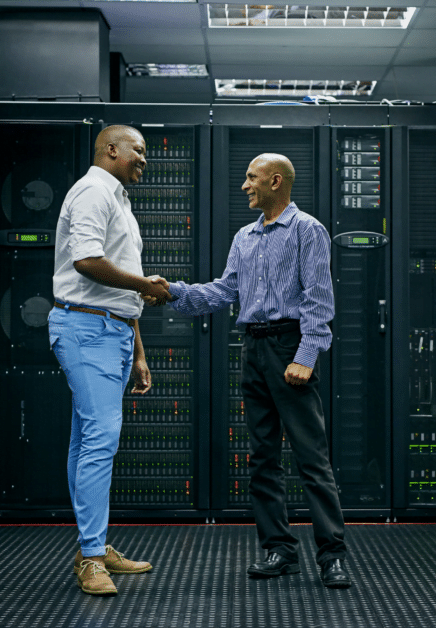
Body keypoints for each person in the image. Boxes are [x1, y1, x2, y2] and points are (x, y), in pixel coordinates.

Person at [151, 153, 352, 589]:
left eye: (251, 178)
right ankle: (278, 549)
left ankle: (332, 556)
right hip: (254, 348)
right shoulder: (244, 236)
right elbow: (225, 291)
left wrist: (306, 355)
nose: (244, 185)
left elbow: (320, 301)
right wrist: (173, 292)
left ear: (275, 181)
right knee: (262, 458)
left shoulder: (308, 230)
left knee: (311, 459)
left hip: (288, 346)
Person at [48, 124, 171, 596]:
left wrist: (138, 351)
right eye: (138, 151)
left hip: (111, 330)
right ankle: (92, 557)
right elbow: (87, 262)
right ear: (111, 150)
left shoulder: (119, 199)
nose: (144, 159)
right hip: (85, 328)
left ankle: (91, 546)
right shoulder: (92, 193)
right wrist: (145, 286)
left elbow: (120, 287)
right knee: (101, 436)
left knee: (87, 439)